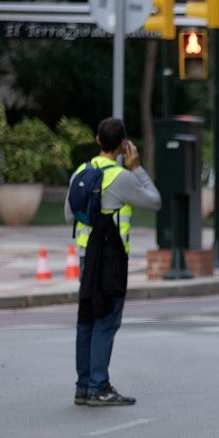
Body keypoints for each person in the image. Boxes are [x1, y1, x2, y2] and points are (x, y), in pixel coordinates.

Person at [70, 118, 162, 407]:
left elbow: (68, 214)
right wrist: (137, 168)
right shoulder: (121, 177)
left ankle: (83, 386)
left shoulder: (81, 172)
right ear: (124, 145)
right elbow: (154, 201)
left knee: (86, 318)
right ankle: (99, 386)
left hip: (86, 256)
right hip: (111, 258)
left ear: (97, 139)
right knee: (107, 319)